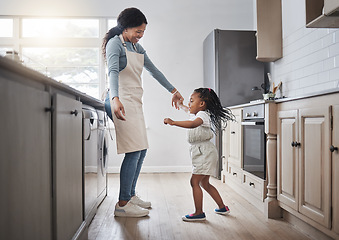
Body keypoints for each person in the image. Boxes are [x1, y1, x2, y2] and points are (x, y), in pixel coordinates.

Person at [102, 7, 183, 218]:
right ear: (125, 27)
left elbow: (154, 71)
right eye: (137, 31)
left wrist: (173, 90)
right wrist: (115, 99)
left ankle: (130, 195)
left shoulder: (136, 49)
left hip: (133, 102)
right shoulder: (115, 44)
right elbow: (112, 72)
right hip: (118, 100)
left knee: (142, 149)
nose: (140, 36)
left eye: (142, 32)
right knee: (133, 150)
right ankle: (122, 204)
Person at [164, 88, 235, 221]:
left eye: (191, 101)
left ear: (202, 104)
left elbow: (193, 124)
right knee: (204, 183)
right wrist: (180, 104)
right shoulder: (196, 113)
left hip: (205, 153)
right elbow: (187, 110)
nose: (189, 104)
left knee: (194, 181)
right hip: (202, 152)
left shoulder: (202, 115)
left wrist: (174, 122)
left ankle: (199, 212)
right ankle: (222, 207)